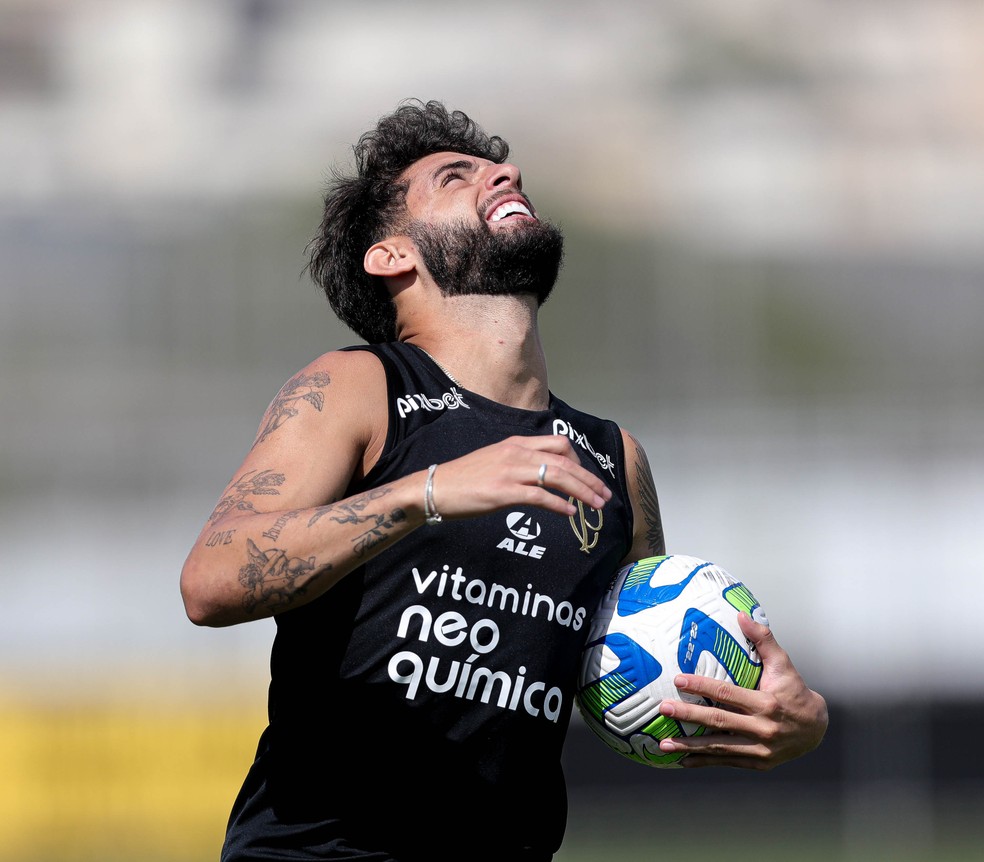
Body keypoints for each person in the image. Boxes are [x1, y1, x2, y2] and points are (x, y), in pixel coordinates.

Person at [181, 99, 827, 862]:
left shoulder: (612, 457)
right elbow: (212, 581)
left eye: (504, 167)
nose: (506, 174)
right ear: (393, 256)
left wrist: (789, 716)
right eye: (458, 177)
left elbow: (641, 666)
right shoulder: (358, 389)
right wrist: (424, 493)